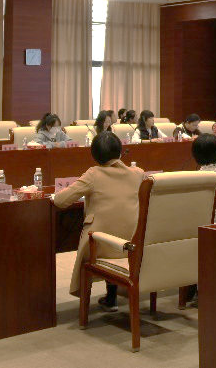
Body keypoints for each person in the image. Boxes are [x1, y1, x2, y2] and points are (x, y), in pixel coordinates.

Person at [52, 131, 143, 310]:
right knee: (115, 224)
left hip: (101, 245)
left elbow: (60, 201)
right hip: (132, 244)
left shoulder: (94, 174)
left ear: (94, 155)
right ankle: (111, 294)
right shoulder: (138, 173)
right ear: (120, 151)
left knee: (99, 230)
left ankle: (108, 295)